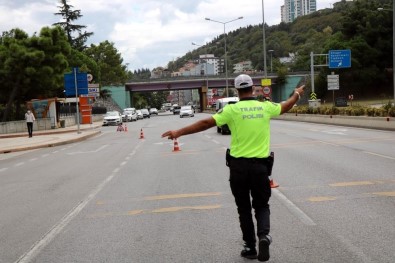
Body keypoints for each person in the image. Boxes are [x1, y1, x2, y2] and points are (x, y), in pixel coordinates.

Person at [161, 74, 305, 261]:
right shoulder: (265, 107)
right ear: (253, 88)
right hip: (260, 167)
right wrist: (297, 94)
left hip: (238, 168)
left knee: (243, 208)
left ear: (237, 91)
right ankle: (264, 236)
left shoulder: (232, 110)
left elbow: (206, 123)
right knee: (261, 205)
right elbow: (286, 105)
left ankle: (250, 247)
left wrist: (178, 132)